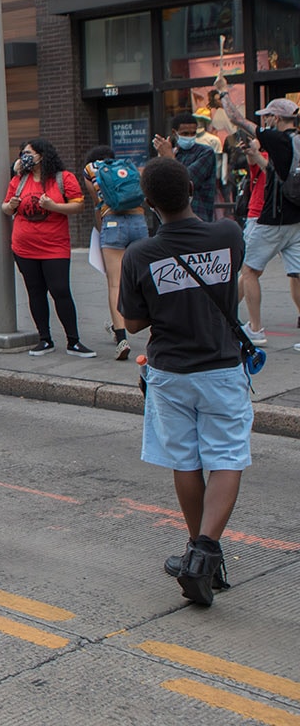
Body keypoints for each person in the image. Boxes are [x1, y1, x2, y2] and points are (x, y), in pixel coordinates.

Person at [118, 157, 249, 607]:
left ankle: (201, 555)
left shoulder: (140, 254)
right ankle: (205, 556)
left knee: (187, 460)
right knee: (227, 456)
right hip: (222, 368)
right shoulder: (228, 235)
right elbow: (232, 280)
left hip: (170, 372)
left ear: (149, 203)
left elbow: (132, 322)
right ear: (192, 189)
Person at [214, 89, 299, 349]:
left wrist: (224, 93)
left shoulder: (277, 139)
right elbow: (274, 172)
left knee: (249, 271)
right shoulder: (296, 141)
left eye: (268, 116)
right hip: (297, 220)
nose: (265, 121)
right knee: (297, 273)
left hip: (273, 220)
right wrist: (253, 153)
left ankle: (255, 328)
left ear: (276, 117)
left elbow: (236, 118)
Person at [1, 139, 94, 358]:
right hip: (24, 247)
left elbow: (78, 205)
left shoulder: (63, 178)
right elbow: (5, 207)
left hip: (55, 246)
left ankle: (74, 341)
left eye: (29, 153)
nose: (25, 157)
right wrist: (10, 206)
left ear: (42, 155)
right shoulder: (19, 180)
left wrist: (53, 207)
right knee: (35, 292)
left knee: (60, 290)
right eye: (22, 153)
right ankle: (45, 339)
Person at [81, 146, 150, 361]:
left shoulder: (90, 170)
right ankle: (157, 331)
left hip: (113, 223)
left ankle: (121, 339)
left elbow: (97, 203)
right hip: (139, 221)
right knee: (146, 279)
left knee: (115, 283)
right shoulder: (128, 167)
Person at [154, 113, 220, 222]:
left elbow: (186, 181)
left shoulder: (205, 152)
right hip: (171, 219)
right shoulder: (174, 153)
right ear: (175, 133)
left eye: (193, 133)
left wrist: (170, 158)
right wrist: (162, 158)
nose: (189, 137)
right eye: (185, 133)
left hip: (198, 217)